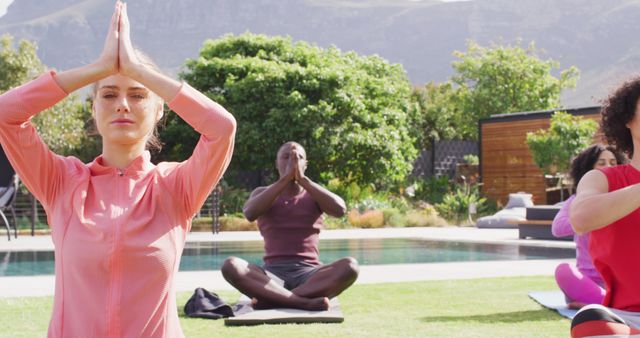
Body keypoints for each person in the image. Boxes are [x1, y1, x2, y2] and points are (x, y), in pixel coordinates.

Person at [0, 2, 236, 337]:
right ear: (94, 109)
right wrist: (99, 68)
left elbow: (222, 129)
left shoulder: (176, 187)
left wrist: (137, 69)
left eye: (138, 95)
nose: (123, 104)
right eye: (108, 94)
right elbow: (5, 113)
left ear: (158, 112)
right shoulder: (60, 182)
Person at [221, 141, 359, 311]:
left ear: (305, 164)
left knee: (350, 267)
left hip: (310, 275)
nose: (292, 161)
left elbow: (340, 209)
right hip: (271, 276)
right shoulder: (262, 193)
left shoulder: (314, 194)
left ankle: (274, 299)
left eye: (298, 157)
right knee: (231, 266)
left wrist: (303, 180)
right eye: (286, 157)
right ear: (277, 163)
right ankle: (302, 302)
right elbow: (250, 213)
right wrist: (286, 179)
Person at [569, 77, 640, 337]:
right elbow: (581, 219)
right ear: (627, 119)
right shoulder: (602, 179)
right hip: (625, 319)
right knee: (588, 320)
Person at [552, 144, 624, 309]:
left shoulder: (624, 198)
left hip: (620, 281)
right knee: (563, 271)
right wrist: (589, 217)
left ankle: (600, 303)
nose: (608, 167)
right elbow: (557, 228)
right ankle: (607, 303)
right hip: (587, 281)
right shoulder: (578, 200)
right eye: (602, 162)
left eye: (613, 162)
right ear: (589, 168)